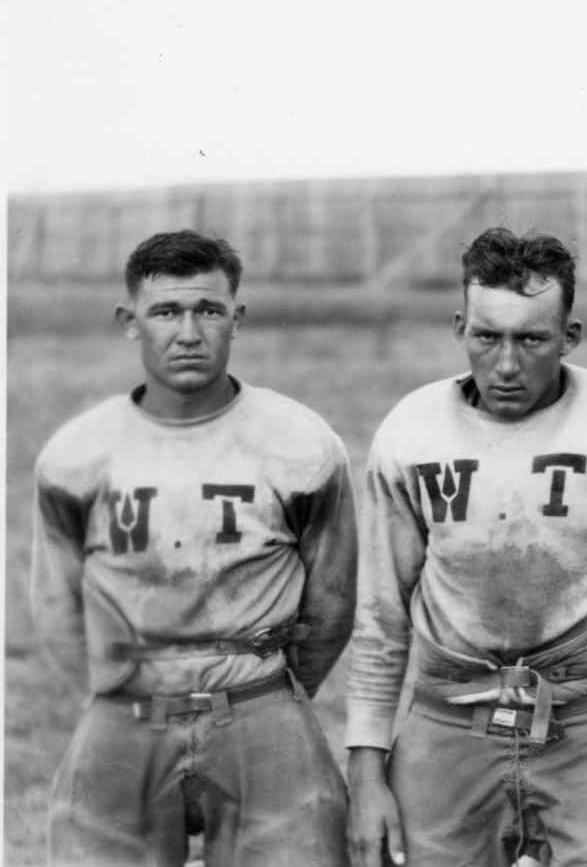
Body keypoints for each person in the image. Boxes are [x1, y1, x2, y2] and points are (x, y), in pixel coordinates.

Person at [345, 227, 587, 867]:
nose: (508, 364)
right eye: (487, 337)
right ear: (461, 326)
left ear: (569, 337)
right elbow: (379, 617)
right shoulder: (413, 430)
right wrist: (365, 778)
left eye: (532, 339)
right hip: (449, 723)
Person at [30, 230, 357, 867]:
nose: (188, 332)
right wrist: (115, 692)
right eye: (165, 312)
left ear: (237, 316)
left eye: (208, 310)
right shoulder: (78, 454)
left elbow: (332, 597)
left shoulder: (300, 443)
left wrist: (269, 692)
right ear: (131, 322)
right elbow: (56, 604)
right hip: (127, 707)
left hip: (258, 698)